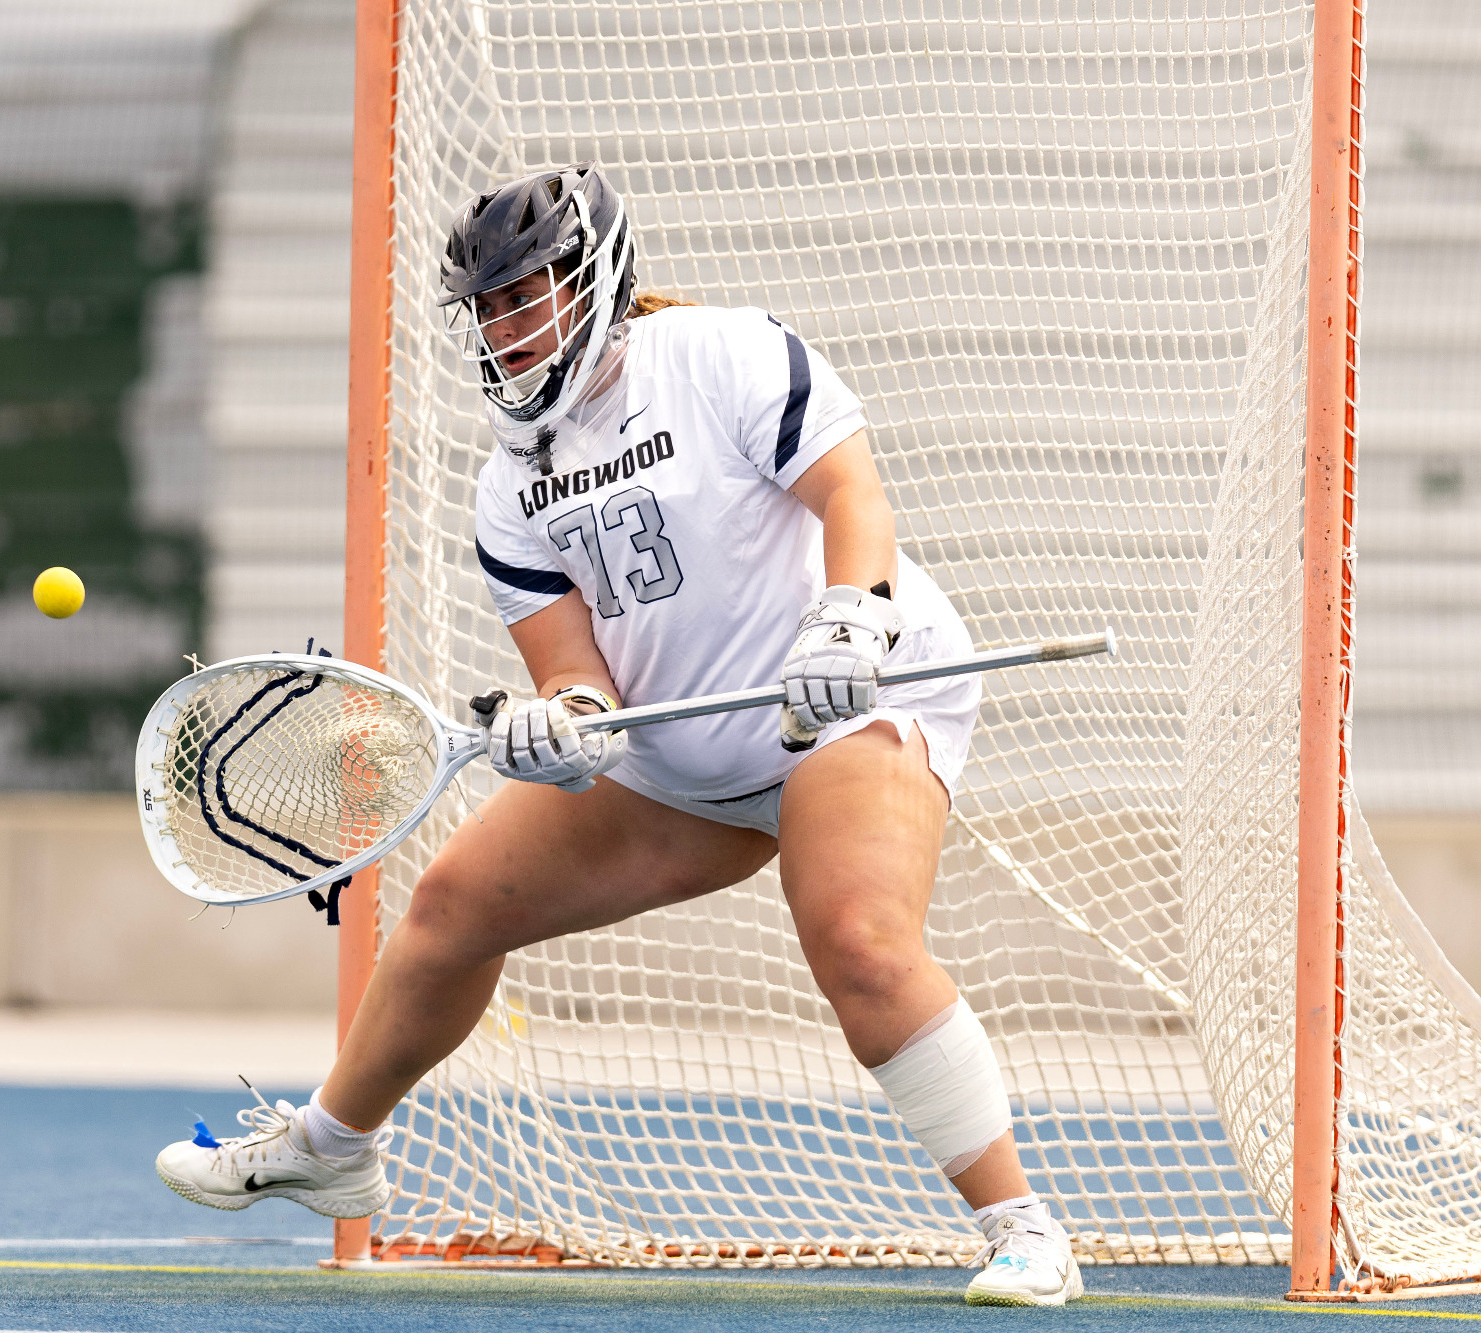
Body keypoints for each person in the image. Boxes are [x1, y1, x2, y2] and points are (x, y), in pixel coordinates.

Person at [155, 164, 1083, 1307]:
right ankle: (333, 1143)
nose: (502, 324)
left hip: (850, 696)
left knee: (854, 932)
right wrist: (567, 729)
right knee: (450, 904)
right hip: (685, 751)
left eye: (522, 292)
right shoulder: (508, 487)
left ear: (590, 277)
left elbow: (854, 496)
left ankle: (1024, 1227)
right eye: (484, 306)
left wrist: (852, 621)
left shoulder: (720, 354)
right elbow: (577, 676)